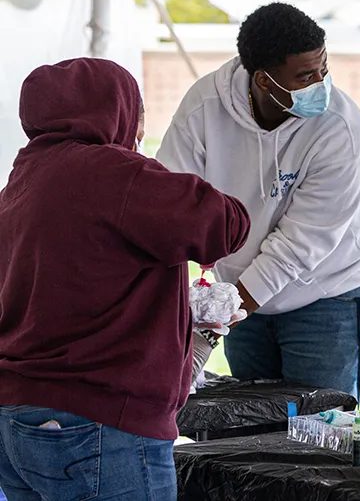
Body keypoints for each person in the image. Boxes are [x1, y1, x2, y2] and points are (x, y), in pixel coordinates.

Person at [0, 58, 250, 499]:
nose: (139, 131)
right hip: (97, 423)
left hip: (16, 417)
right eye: (138, 116)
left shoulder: (21, 180)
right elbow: (225, 224)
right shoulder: (114, 172)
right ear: (114, 111)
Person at [157, 3, 360, 405]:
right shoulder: (204, 108)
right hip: (240, 292)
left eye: (324, 68)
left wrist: (210, 330)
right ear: (263, 79)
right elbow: (169, 203)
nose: (322, 84)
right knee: (251, 423)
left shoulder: (341, 129)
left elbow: (299, 246)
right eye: (306, 76)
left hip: (328, 290)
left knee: (318, 424)